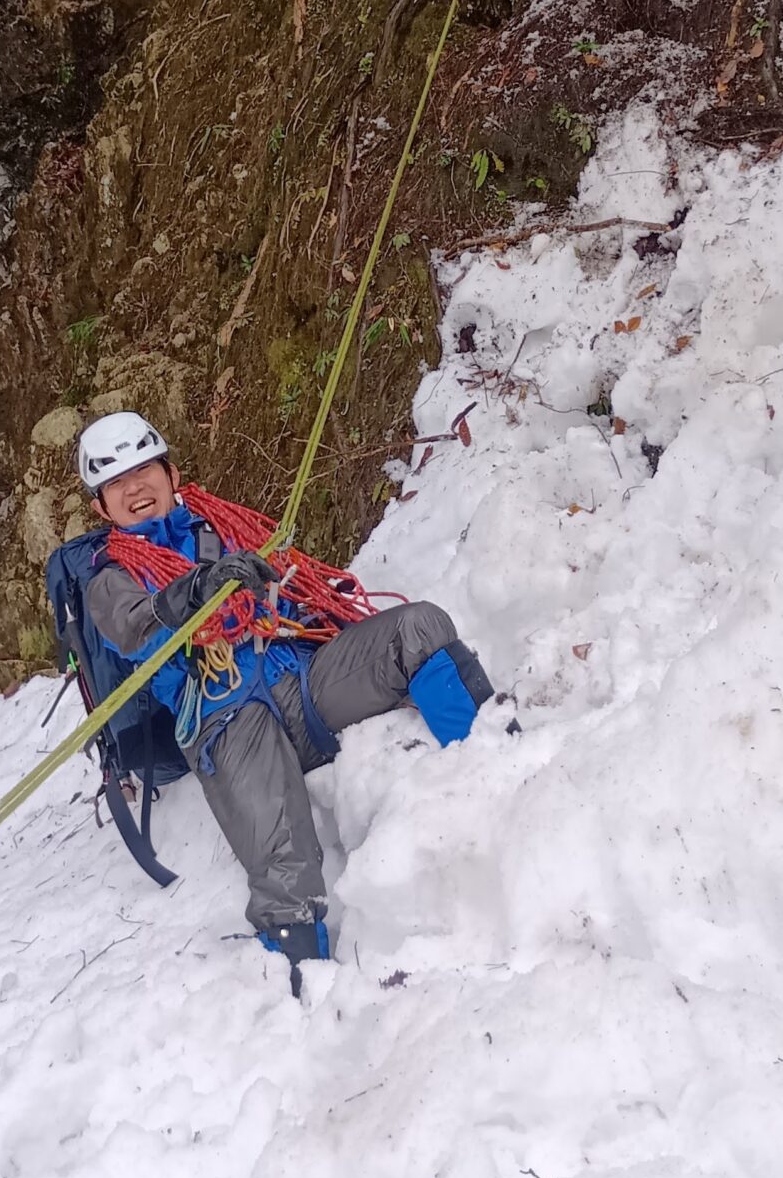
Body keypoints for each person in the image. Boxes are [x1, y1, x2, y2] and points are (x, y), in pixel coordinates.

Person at [74, 410, 493, 986]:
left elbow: (289, 582)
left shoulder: (220, 525)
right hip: (227, 718)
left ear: (172, 474)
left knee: (418, 628)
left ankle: (494, 762)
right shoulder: (109, 580)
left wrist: (281, 590)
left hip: (302, 682)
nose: (134, 488)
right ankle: (300, 969)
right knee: (282, 852)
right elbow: (133, 624)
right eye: (116, 483)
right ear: (102, 508)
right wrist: (198, 588)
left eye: (144, 470)